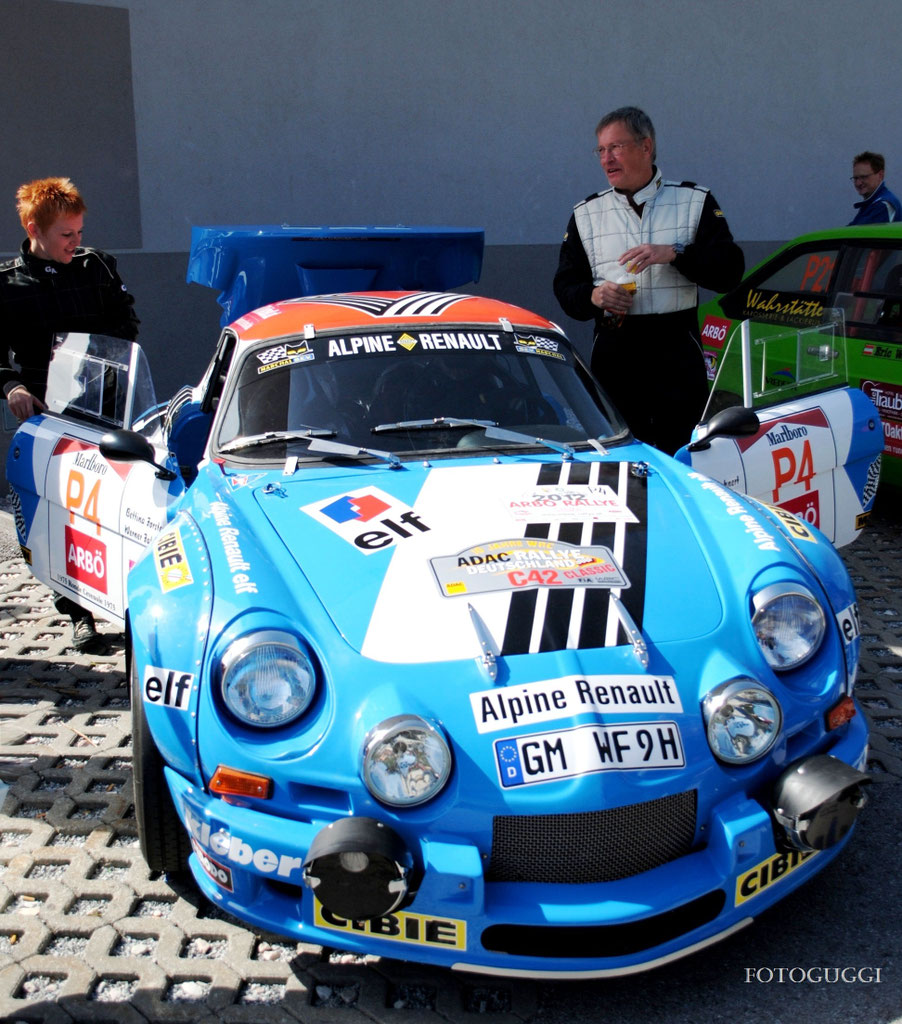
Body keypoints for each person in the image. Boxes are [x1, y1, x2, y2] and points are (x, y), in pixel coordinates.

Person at [553, 106, 745, 454]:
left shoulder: (694, 200)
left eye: (616, 147)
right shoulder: (586, 214)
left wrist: (675, 254)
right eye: (601, 150)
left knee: (682, 456)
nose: (606, 159)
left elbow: (730, 272)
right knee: (622, 458)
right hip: (615, 356)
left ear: (646, 146)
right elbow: (565, 288)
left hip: (677, 353)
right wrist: (594, 296)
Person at [1, 177, 139, 652]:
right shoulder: (7, 284)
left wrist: (98, 356)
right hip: (47, 415)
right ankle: (78, 611)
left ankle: (126, 603)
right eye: (65, 234)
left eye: (79, 231)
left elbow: (127, 323)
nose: (75, 242)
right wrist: (13, 386)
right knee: (61, 513)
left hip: (103, 406)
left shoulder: (96, 266)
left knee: (116, 506)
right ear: (33, 229)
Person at [848, 151, 902, 225]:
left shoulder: (883, 205)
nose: (858, 183)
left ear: (880, 175)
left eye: (864, 177)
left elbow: (860, 232)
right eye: (856, 178)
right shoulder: (870, 204)